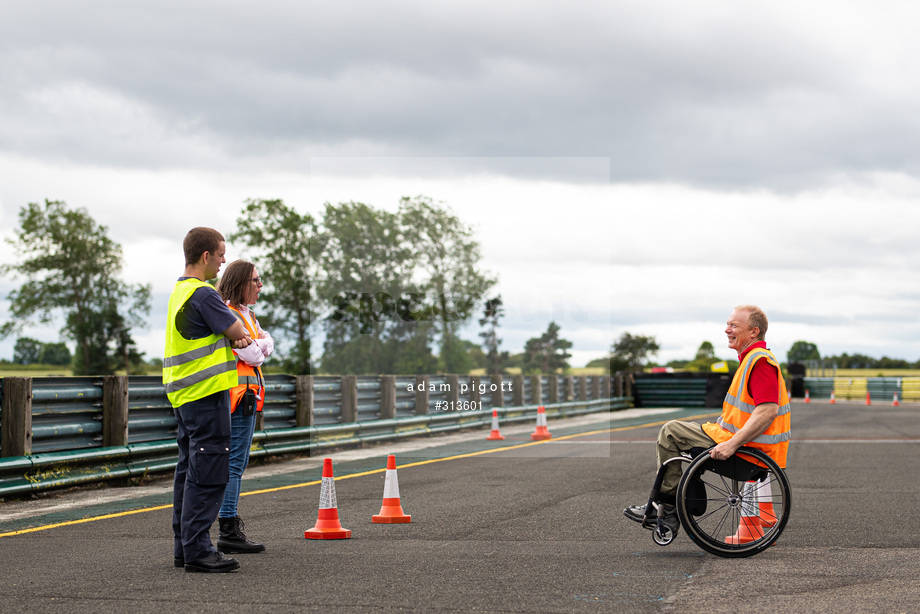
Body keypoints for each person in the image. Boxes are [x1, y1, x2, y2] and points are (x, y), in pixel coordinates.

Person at [624, 304, 791, 528]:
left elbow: (768, 411)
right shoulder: (752, 359)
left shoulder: (760, 362)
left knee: (670, 432)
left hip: (746, 451)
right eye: (727, 324)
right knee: (677, 431)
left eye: (734, 325)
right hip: (739, 442)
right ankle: (673, 504)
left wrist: (732, 444)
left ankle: (667, 508)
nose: (727, 330)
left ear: (754, 332)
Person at [164, 227, 253, 573]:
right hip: (206, 394)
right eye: (220, 254)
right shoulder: (203, 294)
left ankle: (184, 547)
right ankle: (199, 550)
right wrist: (240, 335)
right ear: (205, 257)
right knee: (208, 471)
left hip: (183, 395)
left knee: (188, 470)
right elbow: (237, 331)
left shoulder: (178, 291)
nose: (223, 260)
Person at [214, 260, 274, 554]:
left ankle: (228, 524)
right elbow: (252, 353)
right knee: (234, 463)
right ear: (240, 283)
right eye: (256, 280)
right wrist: (258, 347)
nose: (260, 286)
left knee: (235, 462)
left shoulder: (246, 314)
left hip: (246, 396)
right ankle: (228, 528)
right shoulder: (228, 313)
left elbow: (267, 343)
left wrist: (259, 345)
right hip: (237, 397)